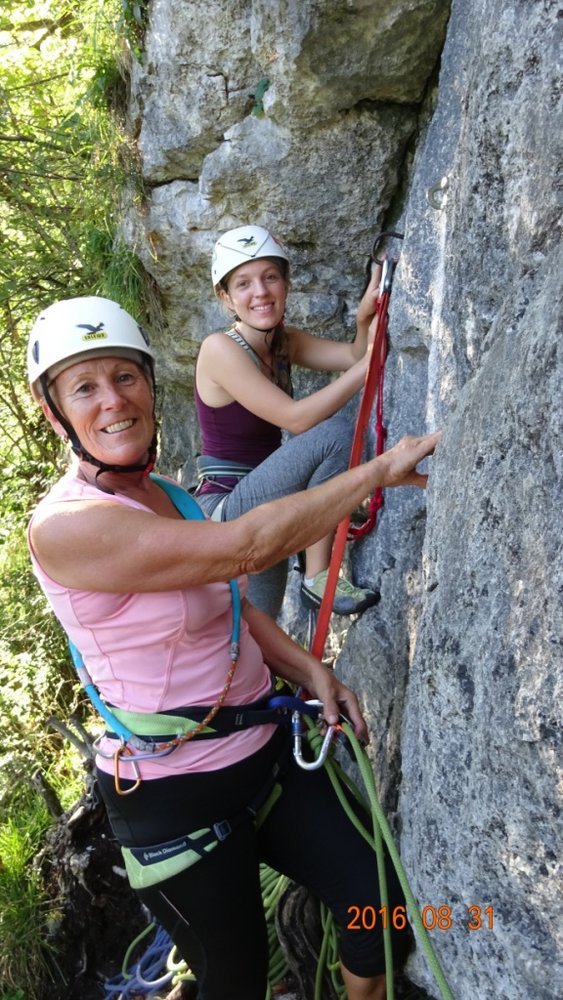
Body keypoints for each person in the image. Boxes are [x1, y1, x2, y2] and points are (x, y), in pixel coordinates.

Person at [25, 295, 440, 1000]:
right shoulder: (66, 527)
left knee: (378, 908)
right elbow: (244, 547)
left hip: (263, 753)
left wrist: (310, 669)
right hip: (172, 795)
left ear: (149, 385)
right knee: (237, 985)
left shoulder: (170, 496)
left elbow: (232, 610)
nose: (113, 400)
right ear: (55, 412)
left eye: (124, 377)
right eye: (84, 387)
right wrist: (373, 473)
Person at [195, 224, 384, 619]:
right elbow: (297, 420)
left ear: (286, 284)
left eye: (270, 277)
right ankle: (317, 576)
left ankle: (315, 573)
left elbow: (351, 357)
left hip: (266, 498)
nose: (260, 292)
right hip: (230, 505)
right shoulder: (220, 349)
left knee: (261, 629)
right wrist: (369, 366)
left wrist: (365, 319)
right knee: (336, 435)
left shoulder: (284, 343)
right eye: (243, 284)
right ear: (225, 298)